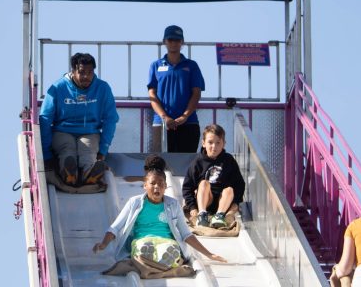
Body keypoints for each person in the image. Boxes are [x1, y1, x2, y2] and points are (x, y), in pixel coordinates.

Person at [92, 161, 226, 268]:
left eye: (161, 184)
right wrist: (104, 244)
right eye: (152, 183)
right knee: (143, 246)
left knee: (170, 248)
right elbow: (115, 227)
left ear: (166, 187)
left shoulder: (173, 205)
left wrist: (209, 254)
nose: (157, 187)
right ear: (145, 185)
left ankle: (163, 257)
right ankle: (148, 256)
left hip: (166, 241)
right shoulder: (135, 203)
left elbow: (186, 234)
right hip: (142, 239)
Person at [39, 52, 119, 187]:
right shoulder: (58, 88)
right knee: (67, 149)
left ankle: (89, 174)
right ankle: (68, 173)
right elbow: (45, 118)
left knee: (87, 150)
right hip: (62, 131)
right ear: (73, 71)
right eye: (82, 72)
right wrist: (46, 153)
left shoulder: (102, 88)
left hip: (89, 132)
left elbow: (111, 118)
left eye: (90, 72)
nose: (86, 77)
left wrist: (103, 149)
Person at [147, 25, 205, 152]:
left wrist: (184, 116)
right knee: (160, 164)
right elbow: (152, 94)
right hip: (161, 123)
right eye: (170, 39)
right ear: (165, 41)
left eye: (177, 40)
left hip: (189, 122)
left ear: (182, 42)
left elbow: (196, 93)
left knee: (186, 165)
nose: (174, 43)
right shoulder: (155, 65)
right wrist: (164, 117)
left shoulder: (192, 65)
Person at [182, 124, 245, 228]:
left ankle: (219, 216)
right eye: (210, 142)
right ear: (203, 143)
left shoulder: (229, 161)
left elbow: (239, 184)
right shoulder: (198, 162)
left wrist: (236, 203)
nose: (214, 146)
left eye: (218, 143)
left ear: (224, 144)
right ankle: (202, 215)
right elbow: (187, 187)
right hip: (206, 200)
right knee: (203, 183)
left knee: (229, 189)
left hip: (223, 203)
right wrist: (192, 207)